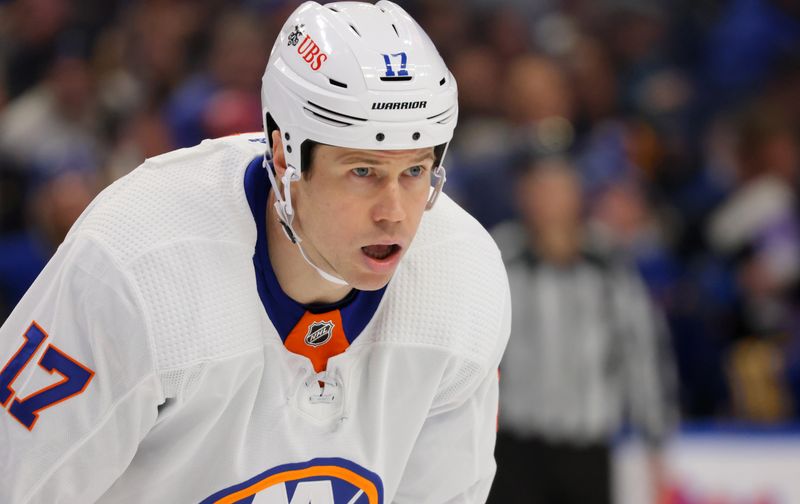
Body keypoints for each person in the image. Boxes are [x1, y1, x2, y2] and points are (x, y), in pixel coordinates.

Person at [0, 2, 511, 503]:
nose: (395, 213)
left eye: (415, 172)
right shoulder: (140, 265)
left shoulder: (461, 278)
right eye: (363, 172)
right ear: (285, 155)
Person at [488, 156, 677, 504]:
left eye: (558, 187)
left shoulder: (609, 263)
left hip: (587, 443)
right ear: (522, 195)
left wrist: (655, 442)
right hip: (515, 441)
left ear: (577, 194)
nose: (548, 199)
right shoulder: (500, 254)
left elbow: (641, 353)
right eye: (538, 188)